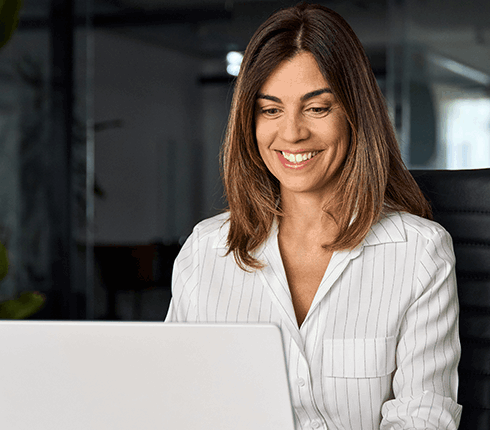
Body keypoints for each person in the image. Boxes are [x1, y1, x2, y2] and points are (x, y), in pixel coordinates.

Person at [164, 4, 461, 430]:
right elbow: (178, 402)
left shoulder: (419, 253)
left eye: (317, 108)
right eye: (270, 110)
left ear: (355, 116)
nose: (292, 133)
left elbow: (423, 418)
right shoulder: (205, 252)